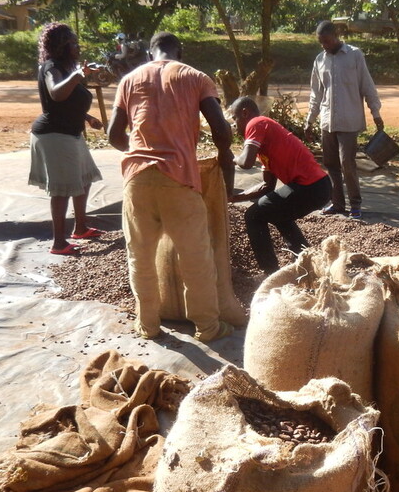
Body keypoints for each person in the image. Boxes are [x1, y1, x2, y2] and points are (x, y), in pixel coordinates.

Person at [107, 31, 236, 342]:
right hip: (179, 179)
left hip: (137, 180)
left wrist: (140, 153)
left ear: (151, 52)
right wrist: (221, 154)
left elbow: (113, 134)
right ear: (180, 50)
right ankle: (208, 327)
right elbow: (220, 129)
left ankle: (148, 325)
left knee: (140, 256)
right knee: (196, 259)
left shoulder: (130, 79)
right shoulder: (195, 77)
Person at [228, 96, 332, 275]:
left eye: (235, 118)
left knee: (253, 215)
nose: (235, 125)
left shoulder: (256, 123)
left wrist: (229, 157)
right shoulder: (265, 143)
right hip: (317, 188)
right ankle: (307, 263)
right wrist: (234, 198)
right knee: (277, 213)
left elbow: (245, 162)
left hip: (310, 187)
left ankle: (269, 272)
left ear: (245, 113)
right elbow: (267, 186)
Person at [28, 22, 104, 255]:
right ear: (61, 45)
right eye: (72, 42)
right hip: (54, 135)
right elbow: (56, 94)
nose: (76, 46)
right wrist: (78, 76)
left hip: (69, 133)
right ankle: (58, 243)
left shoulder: (64, 68)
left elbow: (68, 104)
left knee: (84, 178)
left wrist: (88, 118)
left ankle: (80, 228)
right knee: (61, 189)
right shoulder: (51, 67)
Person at [303, 20, 383, 220]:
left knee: (347, 162)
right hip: (327, 120)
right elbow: (316, 94)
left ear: (336, 35)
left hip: (349, 121)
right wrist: (310, 120)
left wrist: (376, 113)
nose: (325, 45)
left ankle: (355, 204)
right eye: (321, 42)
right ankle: (337, 203)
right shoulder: (320, 60)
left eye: (327, 41)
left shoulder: (354, 55)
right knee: (330, 164)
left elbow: (367, 85)